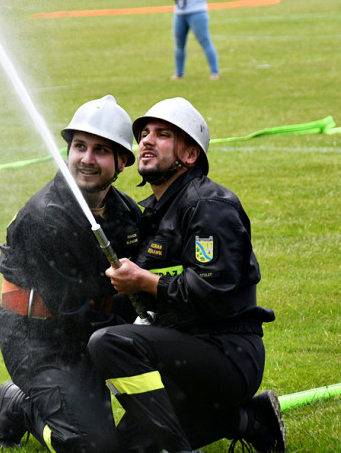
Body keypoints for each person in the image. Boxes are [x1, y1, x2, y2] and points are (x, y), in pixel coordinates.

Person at [87, 98, 285, 453]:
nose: (147, 141)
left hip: (227, 354)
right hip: (180, 353)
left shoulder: (208, 206)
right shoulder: (149, 212)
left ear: (190, 155)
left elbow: (212, 290)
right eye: (144, 134)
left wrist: (143, 281)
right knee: (128, 448)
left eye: (163, 135)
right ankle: (250, 419)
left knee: (110, 343)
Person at [0, 96, 142, 452]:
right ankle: (21, 406)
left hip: (93, 333)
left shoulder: (127, 214)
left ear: (122, 162)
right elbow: (73, 311)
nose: (87, 159)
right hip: (39, 342)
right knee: (94, 447)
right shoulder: (44, 217)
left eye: (101, 150)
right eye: (80, 147)